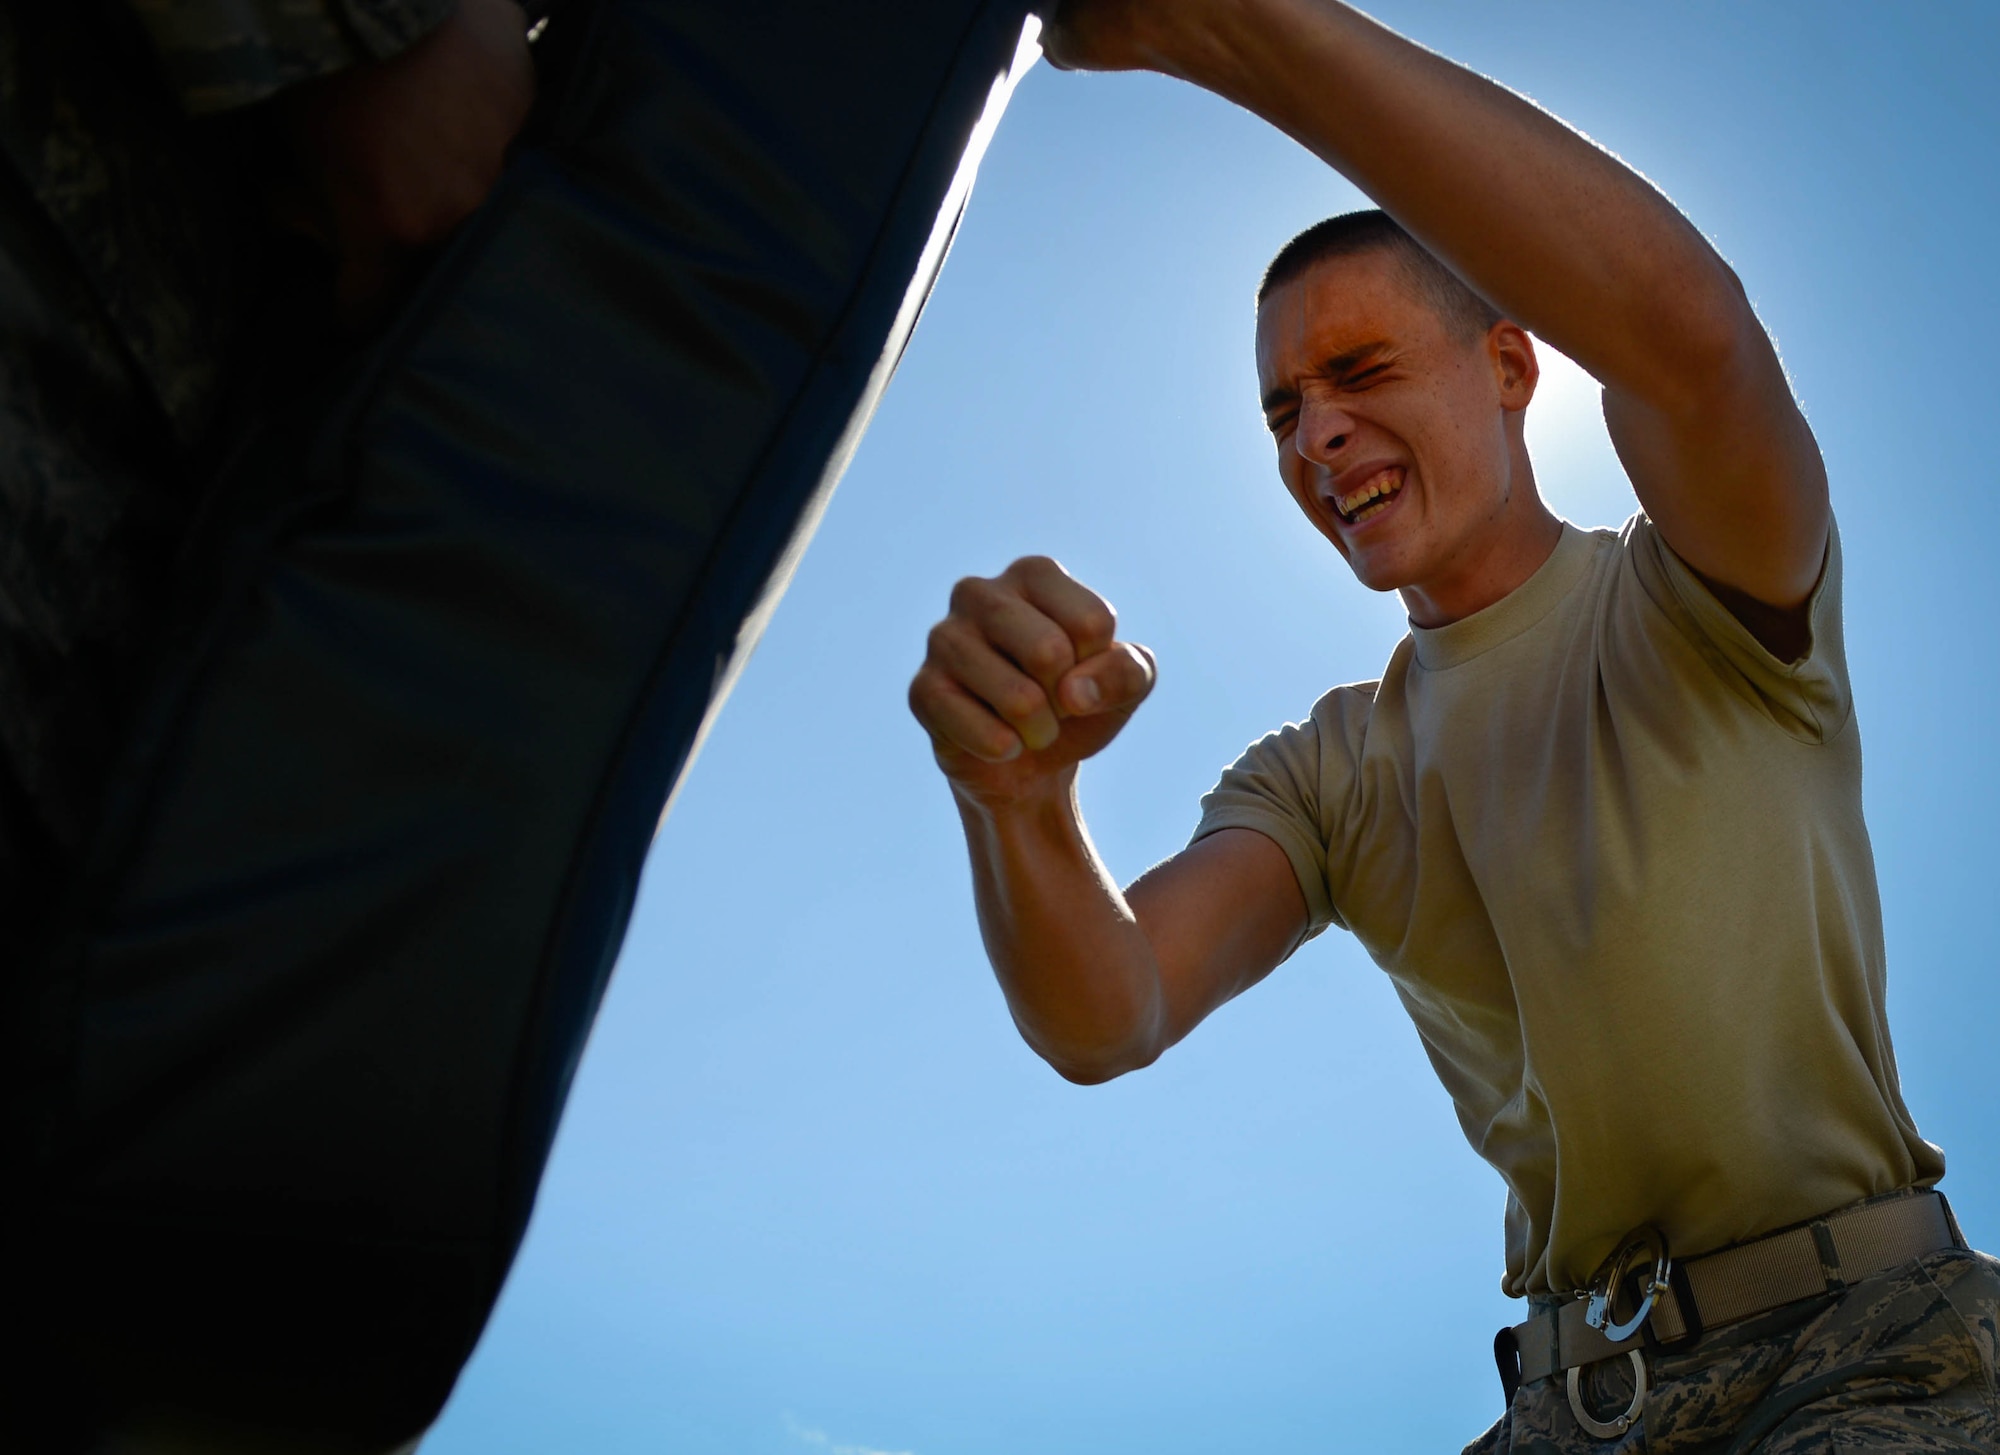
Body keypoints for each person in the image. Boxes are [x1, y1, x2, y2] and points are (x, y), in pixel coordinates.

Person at [908, 1, 1999, 1448]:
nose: (1315, 437)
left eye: (1360, 374)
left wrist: (1249, 31)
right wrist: (1016, 803)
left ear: (1508, 368)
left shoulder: (1707, 597)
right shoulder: (1326, 772)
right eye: (1284, 408)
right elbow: (1112, 1012)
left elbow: (1692, 338)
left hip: (1867, 1355)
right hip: (1572, 1406)